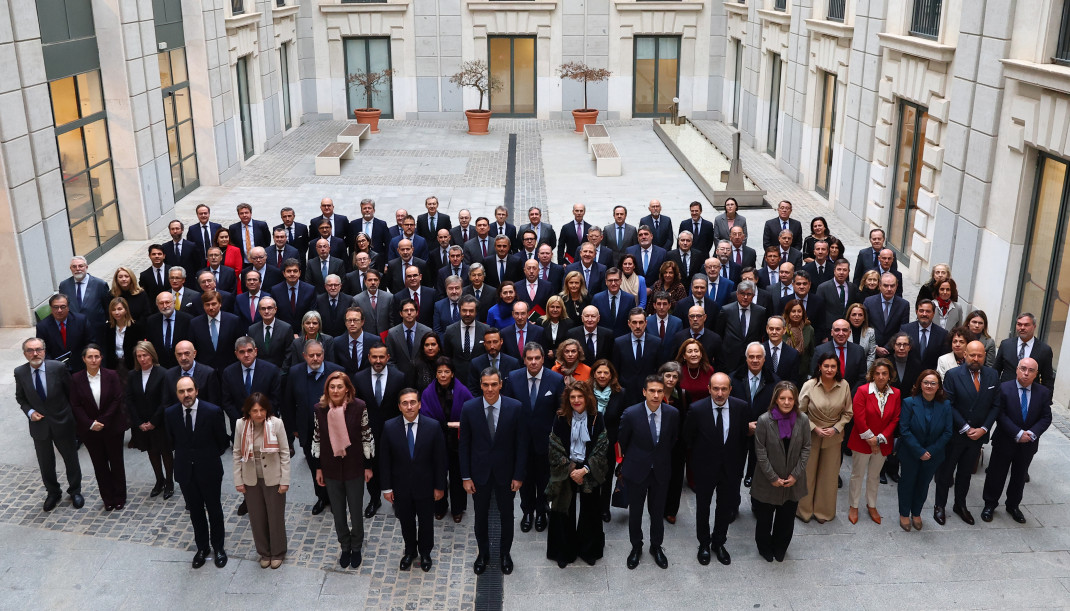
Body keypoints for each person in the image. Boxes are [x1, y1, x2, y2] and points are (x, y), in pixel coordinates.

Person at [460, 368, 527, 576]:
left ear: (500, 385)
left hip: (506, 474)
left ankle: (505, 554)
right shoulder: (469, 408)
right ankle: (483, 554)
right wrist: (466, 476)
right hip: (479, 475)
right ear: (480, 385)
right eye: (486, 385)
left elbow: (521, 445)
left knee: (507, 516)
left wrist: (518, 475)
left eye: (494, 384)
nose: (490, 389)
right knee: (480, 517)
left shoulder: (515, 408)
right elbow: (464, 445)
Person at [380, 387, 448, 572]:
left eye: (412, 402)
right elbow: (385, 460)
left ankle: (425, 553)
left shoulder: (433, 427)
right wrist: (386, 488)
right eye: (405, 403)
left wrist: (440, 486)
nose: (409, 407)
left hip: (426, 487)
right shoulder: (389, 427)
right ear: (399, 406)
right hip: (401, 488)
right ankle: (410, 551)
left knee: (426, 523)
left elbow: (440, 461)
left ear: (419, 404)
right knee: (406, 522)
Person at [684, 372, 748, 565]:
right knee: (703, 508)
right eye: (716, 389)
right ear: (709, 389)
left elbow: (743, 439)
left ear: (730, 389)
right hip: (705, 470)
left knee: (725, 508)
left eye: (724, 389)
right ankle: (703, 543)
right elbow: (688, 439)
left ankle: (719, 543)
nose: (719, 393)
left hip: (730, 469)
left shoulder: (741, 407)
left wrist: (739, 467)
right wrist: (697, 465)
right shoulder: (696, 409)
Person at [312, 371, 374, 569]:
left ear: (347, 388)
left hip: (354, 467)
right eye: (332, 387)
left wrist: (368, 466)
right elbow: (318, 439)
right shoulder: (319, 409)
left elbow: (366, 437)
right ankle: (344, 546)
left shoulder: (359, 407)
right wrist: (319, 469)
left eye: (340, 386)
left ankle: (356, 547)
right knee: (338, 513)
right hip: (330, 468)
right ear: (327, 389)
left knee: (356, 512)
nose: (336, 390)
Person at [167, 376, 230, 568]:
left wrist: (206, 457)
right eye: (181, 391)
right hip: (186, 471)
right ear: (177, 394)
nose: (186, 395)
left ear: (196, 390)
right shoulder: (170, 413)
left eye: (189, 390)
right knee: (195, 512)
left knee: (214, 510)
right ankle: (202, 547)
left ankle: (218, 547)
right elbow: (171, 442)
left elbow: (222, 443)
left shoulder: (212, 411)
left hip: (209, 470)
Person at [934, 341, 1000, 526]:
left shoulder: (993, 375)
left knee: (965, 473)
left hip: (977, 437)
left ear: (984, 356)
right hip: (956, 434)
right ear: (965, 355)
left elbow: (996, 405)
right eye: (972, 355)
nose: (976, 359)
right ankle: (939, 506)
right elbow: (949, 404)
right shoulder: (953, 375)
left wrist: (984, 429)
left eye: (980, 355)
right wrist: (965, 427)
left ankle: (960, 505)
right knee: (946, 473)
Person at [14, 337, 84, 511]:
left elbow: (71, 394)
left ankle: (75, 491)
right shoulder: (20, 372)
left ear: (44, 351)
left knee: (70, 459)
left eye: (38, 349)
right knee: (45, 463)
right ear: (25, 354)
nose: (35, 353)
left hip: (63, 422)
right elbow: (20, 397)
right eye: (30, 350)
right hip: (39, 426)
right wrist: (30, 412)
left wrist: (74, 420)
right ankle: (53, 492)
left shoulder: (58, 368)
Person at [546, 380, 610, 567]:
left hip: (588, 467)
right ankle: (564, 552)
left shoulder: (597, 417)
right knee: (563, 509)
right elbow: (554, 446)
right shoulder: (560, 417)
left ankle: (589, 550)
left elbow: (601, 446)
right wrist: (571, 469)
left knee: (590, 510)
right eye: (572, 397)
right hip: (567, 467)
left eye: (579, 396)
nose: (576, 400)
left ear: (587, 397)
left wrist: (585, 469)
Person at [981, 358, 1053, 524]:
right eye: (1023, 368)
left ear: (1036, 374)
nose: (1026, 373)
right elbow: (1000, 414)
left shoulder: (1043, 392)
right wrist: (1018, 432)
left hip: (1028, 443)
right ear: (1017, 370)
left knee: (1019, 476)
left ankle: (1013, 505)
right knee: (996, 474)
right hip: (1004, 440)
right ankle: (990, 504)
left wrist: (1032, 433)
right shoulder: (1004, 389)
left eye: (1031, 370)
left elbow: (1046, 417)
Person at [619, 374, 679, 570]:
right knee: (635, 512)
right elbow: (624, 441)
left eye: (660, 391)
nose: (656, 395)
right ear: (644, 392)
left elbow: (672, 441)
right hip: (637, 470)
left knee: (657, 511)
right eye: (652, 391)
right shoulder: (631, 413)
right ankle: (636, 546)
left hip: (661, 470)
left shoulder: (672, 413)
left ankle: (656, 546)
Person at [752, 381, 810, 562]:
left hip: (793, 481)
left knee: (786, 520)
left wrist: (795, 475)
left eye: (790, 399)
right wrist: (773, 477)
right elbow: (760, 452)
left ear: (795, 401)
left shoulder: (803, 420)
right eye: (782, 398)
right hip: (768, 481)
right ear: (776, 399)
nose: (786, 402)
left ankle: (780, 546)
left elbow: (806, 448)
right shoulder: (764, 420)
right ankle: (764, 547)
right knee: (764, 520)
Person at [233, 393, 290, 569]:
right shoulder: (240, 425)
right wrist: (238, 480)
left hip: (273, 477)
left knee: (275, 516)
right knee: (257, 517)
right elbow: (236, 453)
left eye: (262, 410)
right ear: (248, 411)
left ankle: (278, 552)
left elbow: (285, 453)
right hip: (251, 478)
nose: (259, 414)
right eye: (254, 411)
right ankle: (264, 552)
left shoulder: (276, 424)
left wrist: (285, 480)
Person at [69, 345, 127, 511]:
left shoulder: (112, 375)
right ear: (84, 359)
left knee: (116, 464)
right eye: (90, 357)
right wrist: (90, 423)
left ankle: (120, 497)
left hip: (112, 427)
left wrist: (102, 420)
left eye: (97, 356)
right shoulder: (76, 379)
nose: (93, 360)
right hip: (90, 431)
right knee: (100, 465)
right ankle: (107, 498)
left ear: (101, 358)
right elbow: (75, 404)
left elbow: (117, 399)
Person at [796, 354, 853, 523]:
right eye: (826, 366)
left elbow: (848, 412)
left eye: (833, 366)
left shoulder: (844, 386)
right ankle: (804, 511)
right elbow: (799, 412)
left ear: (838, 368)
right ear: (819, 366)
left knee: (828, 476)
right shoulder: (809, 385)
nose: (829, 369)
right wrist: (814, 428)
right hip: (810, 435)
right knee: (807, 474)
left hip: (833, 438)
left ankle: (824, 512)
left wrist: (836, 428)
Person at [846, 359, 901, 525]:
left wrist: (879, 439)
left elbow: (895, 418)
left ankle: (872, 505)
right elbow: (859, 416)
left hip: (882, 443)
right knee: (857, 474)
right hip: (862, 440)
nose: (881, 376)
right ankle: (854, 505)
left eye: (884, 373)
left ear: (890, 375)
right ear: (872, 374)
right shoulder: (863, 391)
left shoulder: (896, 393)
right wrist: (870, 439)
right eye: (877, 373)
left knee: (874, 476)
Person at [419, 357, 473, 522]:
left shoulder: (462, 390)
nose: (443, 375)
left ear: (452, 373)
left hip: (457, 442)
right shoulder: (428, 392)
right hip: (437, 441)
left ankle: (457, 509)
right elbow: (425, 417)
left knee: (457, 476)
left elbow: (470, 412)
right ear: (435, 374)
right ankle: (440, 507)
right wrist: (447, 424)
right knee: (438, 475)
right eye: (440, 372)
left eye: (446, 372)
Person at [897, 370, 953, 531]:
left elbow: (948, 432)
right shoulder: (909, 402)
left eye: (933, 383)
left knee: (923, 484)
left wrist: (930, 451)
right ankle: (903, 513)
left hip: (933, 455)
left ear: (939, 387)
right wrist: (919, 451)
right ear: (920, 384)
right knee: (907, 483)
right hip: (911, 452)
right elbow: (905, 429)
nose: (929, 386)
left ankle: (916, 513)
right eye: (926, 382)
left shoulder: (945, 405)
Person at [127, 342, 175, 499]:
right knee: (151, 452)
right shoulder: (133, 375)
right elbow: (130, 400)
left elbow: (165, 400)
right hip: (141, 423)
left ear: (152, 355)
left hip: (160, 422)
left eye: (145, 355)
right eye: (139, 356)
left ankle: (169, 482)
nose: (142, 359)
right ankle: (159, 480)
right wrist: (139, 422)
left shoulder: (163, 373)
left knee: (165, 452)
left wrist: (153, 421)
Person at [591, 360, 624, 521]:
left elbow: (624, 419)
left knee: (607, 475)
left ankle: (604, 508)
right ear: (594, 374)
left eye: (606, 373)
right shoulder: (586, 391)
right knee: (591, 474)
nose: (602, 376)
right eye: (599, 372)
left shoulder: (620, 393)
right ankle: (592, 506)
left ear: (612, 375)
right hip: (590, 442)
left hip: (611, 442)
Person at [995, 313, 1056, 390]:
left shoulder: (1044, 350)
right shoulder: (1006, 344)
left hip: (1031, 395)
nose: (1022, 328)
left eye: (1026, 325)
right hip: (1005, 393)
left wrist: (1046, 400)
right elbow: (996, 371)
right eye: (1019, 324)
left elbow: (1047, 380)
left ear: (1034, 326)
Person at [104, 297, 140, 378]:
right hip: (113, 366)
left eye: (119, 309)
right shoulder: (108, 328)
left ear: (126, 310)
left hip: (131, 366)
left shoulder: (135, 327)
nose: (116, 312)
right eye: (113, 310)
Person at [783, 300, 814, 382]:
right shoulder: (782, 329)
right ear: (788, 313)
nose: (796, 314)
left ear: (803, 313)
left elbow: (812, 354)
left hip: (803, 374)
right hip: (784, 373)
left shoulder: (809, 329)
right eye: (793, 311)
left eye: (799, 311)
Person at [675, 338, 714, 402]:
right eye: (690, 351)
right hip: (685, 410)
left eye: (696, 351)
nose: (693, 355)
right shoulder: (678, 371)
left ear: (701, 354)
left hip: (705, 408)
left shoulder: (709, 370)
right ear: (684, 356)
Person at [539, 295, 575, 361]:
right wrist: (547, 352)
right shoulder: (541, 322)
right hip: (544, 358)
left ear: (562, 308)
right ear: (548, 308)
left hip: (563, 359)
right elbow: (539, 342)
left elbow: (569, 343)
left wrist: (555, 352)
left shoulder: (569, 323)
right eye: (552, 307)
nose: (555, 310)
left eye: (558, 307)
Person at [846, 303, 877, 369]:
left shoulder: (870, 332)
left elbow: (871, 356)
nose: (857, 318)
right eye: (854, 315)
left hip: (864, 371)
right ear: (849, 317)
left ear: (864, 318)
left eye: (860, 315)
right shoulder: (843, 331)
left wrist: (864, 372)